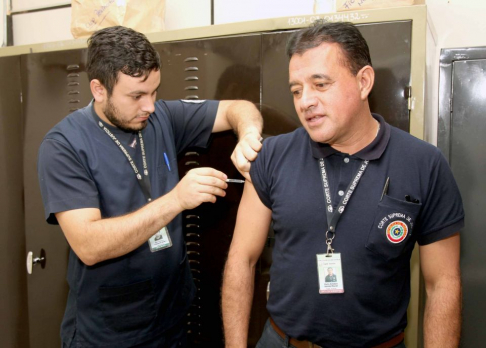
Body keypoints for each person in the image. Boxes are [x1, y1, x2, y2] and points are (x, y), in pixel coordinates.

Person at [222, 21, 463, 348]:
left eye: (320, 85)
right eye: (296, 90)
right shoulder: (272, 157)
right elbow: (242, 259)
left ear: (363, 82)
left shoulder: (423, 164)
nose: (305, 101)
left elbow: (442, 284)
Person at [37, 26, 263, 347]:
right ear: (99, 89)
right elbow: (89, 245)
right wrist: (177, 200)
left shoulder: (161, 118)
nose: (150, 106)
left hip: (171, 323)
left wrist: (249, 136)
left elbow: (238, 108)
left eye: (154, 92)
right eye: (136, 96)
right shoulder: (64, 146)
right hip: (108, 332)